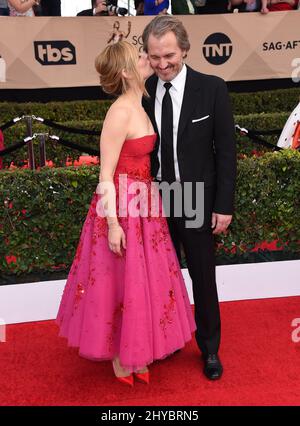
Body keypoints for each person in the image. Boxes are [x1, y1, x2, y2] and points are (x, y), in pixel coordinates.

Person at [56, 40, 196, 386]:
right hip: (122, 208)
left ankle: (137, 350)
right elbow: (105, 174)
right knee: (119, 283)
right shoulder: (119, 111)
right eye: (140, 56)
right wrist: (114, 224)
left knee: (143, 281)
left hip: (145, 205)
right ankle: (121, 356)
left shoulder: (141, 104)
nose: (148, 58)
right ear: (125, 70)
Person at [142, 15, 236, 380]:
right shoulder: (145, 90)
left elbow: (226, 152)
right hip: (156, 197)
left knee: (202, 275)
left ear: (184, 49)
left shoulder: (212, 88)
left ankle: (210, 349)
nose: (163, 64)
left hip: (196, 195)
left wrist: (223, 205)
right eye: (154, 57)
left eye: (169, 55)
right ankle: (167, 339)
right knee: (160, 276)